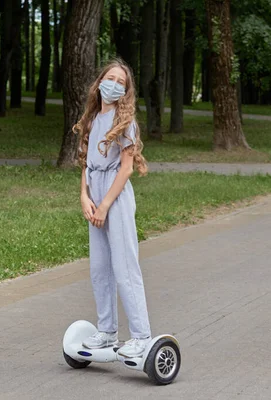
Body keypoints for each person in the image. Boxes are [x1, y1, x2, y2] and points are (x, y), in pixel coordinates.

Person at [75, 59, 152, 358]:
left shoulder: (125, 123)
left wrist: (105, 204)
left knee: (124, 267)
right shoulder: (92, 119)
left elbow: (126, 169)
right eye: (111, 78)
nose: (115, 85)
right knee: (100, 268)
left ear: (126, 91)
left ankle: (141, 335)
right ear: (99, 83)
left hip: (114, 199)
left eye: (121, 82)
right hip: (94, 195)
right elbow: (85, 162)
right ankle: (107, 331)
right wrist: (84, 196)